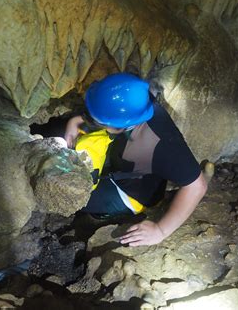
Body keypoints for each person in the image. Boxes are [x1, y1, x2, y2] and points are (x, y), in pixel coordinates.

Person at [65, 73, 207, 247]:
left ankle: (106, 214)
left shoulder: (162, 145)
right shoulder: (137, 100)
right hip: (119, 158)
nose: (91, 120)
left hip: (129, 192)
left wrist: (160, 230)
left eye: (99, 120)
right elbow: (105, 111)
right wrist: (76, 121)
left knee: (70, 197)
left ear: (122, 125)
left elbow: (197, 186)